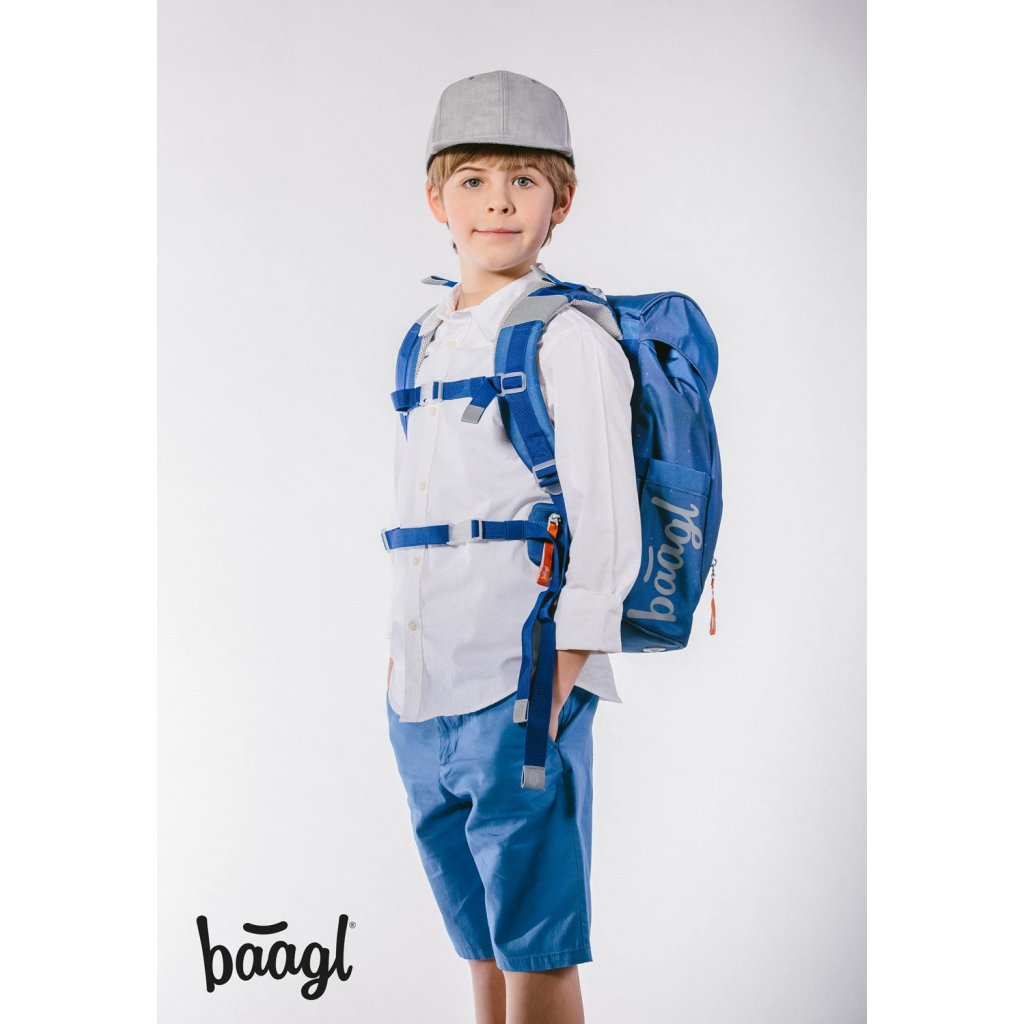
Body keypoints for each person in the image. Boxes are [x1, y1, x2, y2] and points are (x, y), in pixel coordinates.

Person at [382, 69, 642, 1024]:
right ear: (436, 198)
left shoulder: (568, 338)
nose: (498, 201)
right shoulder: (424, 337)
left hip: (522, 682)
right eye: (474, 179)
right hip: (422, 690)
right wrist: (400, 659)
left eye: (525, 180)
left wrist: (559, 678)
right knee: (481, 941)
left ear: (560, 201)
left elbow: (608, 523)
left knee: (537, 946)